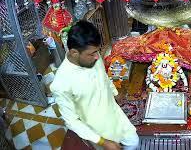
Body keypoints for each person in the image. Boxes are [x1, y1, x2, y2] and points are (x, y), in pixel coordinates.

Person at [50, 20, 139, 150]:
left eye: (97, 51)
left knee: (133, 142)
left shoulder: (93, 59)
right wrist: (103, 142)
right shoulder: (61, 84)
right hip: (97, 129)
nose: (98, 57)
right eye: (92, 53)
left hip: (114, 114)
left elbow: (104, 77)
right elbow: (71, 121)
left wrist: (114, 92)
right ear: (74, 52)